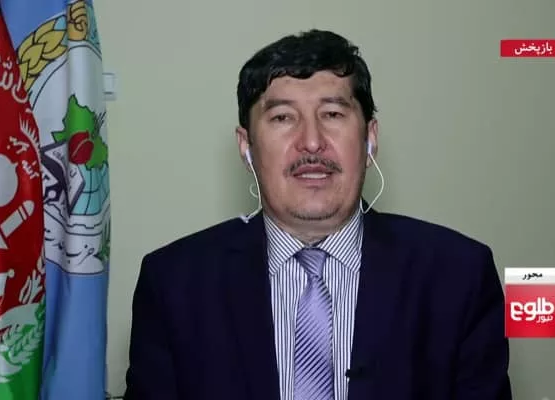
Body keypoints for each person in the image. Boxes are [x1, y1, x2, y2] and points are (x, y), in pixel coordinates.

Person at [124, 29, 512, 400]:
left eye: (332, 114)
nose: (311, 142)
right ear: (246, 147)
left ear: (370, 138)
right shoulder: (174, 284)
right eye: (282, 117)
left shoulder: (459, 276)